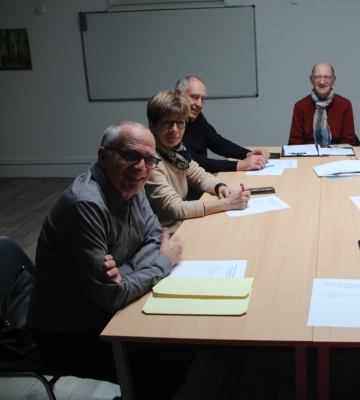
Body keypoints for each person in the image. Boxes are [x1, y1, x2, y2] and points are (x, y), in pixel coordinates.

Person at [27, 121, 191, 398]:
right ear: (103, 156)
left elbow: (154, 237)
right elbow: (111, 296)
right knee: (167, 363)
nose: (141, 167)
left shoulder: (132, 184)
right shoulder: (85, 205)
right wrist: (163, 262)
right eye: (130, 155)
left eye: (149, 159)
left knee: (184, 340)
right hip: (68, 333)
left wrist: (125, 272)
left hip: (100, 309)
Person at [145, 90, 250, 233]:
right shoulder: (149, 160)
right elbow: (175, 208)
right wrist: (226, 203)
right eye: (166, 122)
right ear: (152, 125)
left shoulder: (176, 149)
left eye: (180, 122)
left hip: (183, 224)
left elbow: (199, 175)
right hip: (165, 235)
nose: (174, 130)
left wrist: (220, 187)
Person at [175, 75, 269, 173]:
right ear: (178, 94)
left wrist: (248, 154)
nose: (199, 104)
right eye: (194, 97)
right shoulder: (172, 125)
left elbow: (217, 143)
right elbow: (192, 161)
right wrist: (239, 165)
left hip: (202, 179)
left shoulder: (195, 116)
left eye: (202, 99)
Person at [288, 62, 359, 146]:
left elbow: (348, 141)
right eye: (318, 77)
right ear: (311, 80)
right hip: (308, 156)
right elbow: (295, 142)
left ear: (334, 80)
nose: (322, 82)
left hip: (338, 155)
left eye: (327, 77)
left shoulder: (345, 105)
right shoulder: (300, 106)